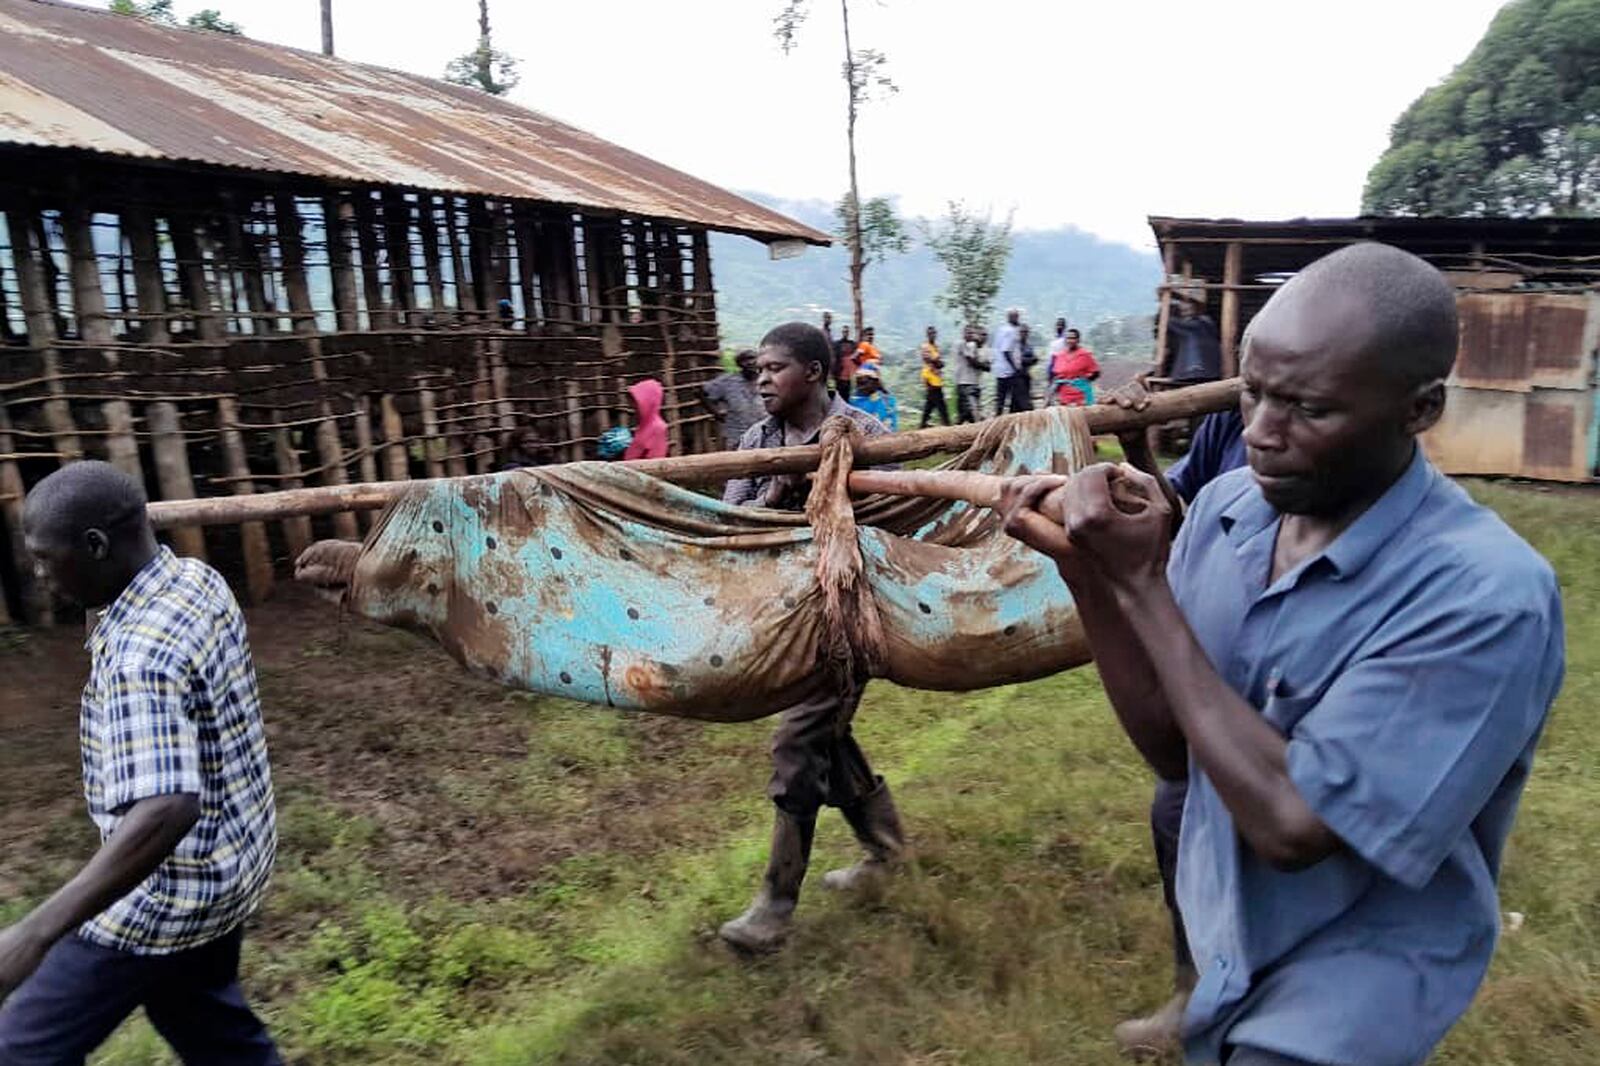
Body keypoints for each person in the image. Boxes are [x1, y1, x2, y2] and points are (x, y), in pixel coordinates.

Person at [1004, 243, 1565, 1066]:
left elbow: (1296, 823)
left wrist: (1144, 588)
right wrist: (1087, 573)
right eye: (1253, 392)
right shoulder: (1231, 509)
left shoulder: (1486, 596)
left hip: (1353, 983)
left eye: (1309, 409)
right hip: (1226, 938)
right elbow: (1174, 752)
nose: (1262, 434)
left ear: (1420, 409)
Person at [0, 462, 280, 1063]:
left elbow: (166, 808)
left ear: (96, 546)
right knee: (210, 1026)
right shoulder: (195, 580)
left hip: (167, 898)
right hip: (234, 869)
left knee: (18, 1051)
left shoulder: (139, 661)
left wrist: (34, 932)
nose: (40, 574)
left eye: (47, 559)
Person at [720, 322, 908, 952]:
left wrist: (837, 494)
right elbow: (733, 524)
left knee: (800, 739)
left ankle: (774, 906)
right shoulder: (758, 439)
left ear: (815, 373)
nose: (762, 379)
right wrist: (781, 489)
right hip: (785, 617)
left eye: (775, 368)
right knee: (829, 734)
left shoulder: (868, 435)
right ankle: (886, 852)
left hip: (851, 614)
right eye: (758, 371)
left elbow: (902, 519)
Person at [1108, 384, 1248, 1055]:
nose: (1272, 420)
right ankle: (1194, 986)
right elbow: (1178, 506)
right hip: (1218, 630)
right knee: (1177, 806)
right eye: (1261, 385)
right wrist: (1137, 443)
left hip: (1297, 638)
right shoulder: (1229, 419)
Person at [703, 348, 765, 450]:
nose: (749, 363)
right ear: (739, 364)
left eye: (752, 358)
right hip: (738, 436)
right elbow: (702, 393)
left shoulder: (768, 379)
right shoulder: (727, 382)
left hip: (766, 434)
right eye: (744, 360)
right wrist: (716, 413)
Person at [1165, 297, 1224, 384]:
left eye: (1188, 305)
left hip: (1193, 372)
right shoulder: (1206, 322)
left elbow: (1171, 322)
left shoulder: (1196, 324)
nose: (1185, 307)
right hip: (1209, 372)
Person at [1049, 328, 1101, 407]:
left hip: (1080, 396)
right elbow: (1056, 375)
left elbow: (1096, 372)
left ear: (1078, 340)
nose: (1070, 341)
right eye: (1068, 338)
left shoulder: (1085, 355)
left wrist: (1083, 381)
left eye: (1073, 338)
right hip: (1064, 396)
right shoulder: (1060, 356)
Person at [622, 378, 669, 460]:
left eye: (637, 402)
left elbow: (655, 463)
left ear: (648, 402)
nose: (632, 406)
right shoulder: (644, 426)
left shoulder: (657, 428)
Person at [954, 325, 991, 424]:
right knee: (972, 410)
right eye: (968, 333)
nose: (971, 335)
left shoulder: (983, 349)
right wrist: (984, 366)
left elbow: (987, 365)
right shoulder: (963, 345)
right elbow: (972, 362)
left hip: (974, 383)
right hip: (964, 382)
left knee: (965, 413)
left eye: (972, 333)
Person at [991, 309, 1024, 416]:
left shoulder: (1001, 330)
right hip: (1009, 371)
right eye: (1016, 317)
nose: (1018, 319)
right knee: (1016, 398)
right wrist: (1015, 368)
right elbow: (1006, 351)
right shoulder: (1011, 331)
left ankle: (997, 421)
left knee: (1001, 399)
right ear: (1011, 318)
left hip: (1000, 370)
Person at [848, 363, 899, 431]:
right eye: (861, 380)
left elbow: (892, 426)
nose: (864, 384)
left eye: (866, 380)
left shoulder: (887, 401)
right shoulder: (852, 402)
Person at [918, 325, 950, 428]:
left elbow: (938, 362)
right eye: (931, 333)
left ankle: (923, 424)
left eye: (934, 333)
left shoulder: (935, 347)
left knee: (930, 403)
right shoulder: (925, 346)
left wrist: (938, 362)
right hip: (929, 376)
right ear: (927, 335)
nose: (933, 335)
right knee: (940, 403)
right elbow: (929, 360)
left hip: (936, 377)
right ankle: (947, 423)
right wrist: (938, 362)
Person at [833, 325, 858, 400]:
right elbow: (834, 357)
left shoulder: (852, 344)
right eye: (844, 332)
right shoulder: (837, 344)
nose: (845, 333)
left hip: (848, 376)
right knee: (837, 395)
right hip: (838, 374)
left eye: (847, 332)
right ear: (842, 332)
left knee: (847, 395)